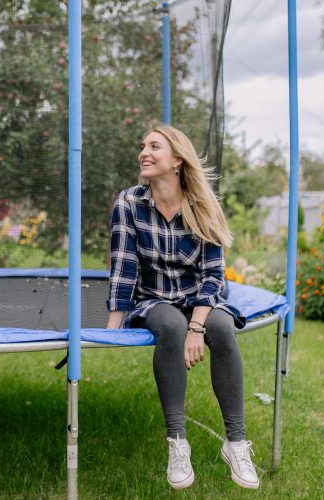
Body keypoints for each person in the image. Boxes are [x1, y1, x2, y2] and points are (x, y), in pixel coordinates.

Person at [106, 124, 259, 490]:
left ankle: (236, 444)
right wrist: (110, 330)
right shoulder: (128, 204)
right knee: (171, 327)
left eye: (154, 146)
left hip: (199, 298)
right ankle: (178, 442)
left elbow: (213, 275)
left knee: (221, 328)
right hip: (153, 298)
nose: (144, 152)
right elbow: (123, 267)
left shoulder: (203, 204)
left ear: (176, 160)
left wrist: (198, 326)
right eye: (142, 146)